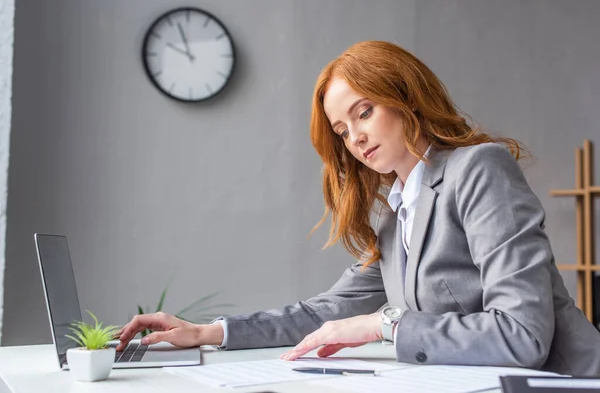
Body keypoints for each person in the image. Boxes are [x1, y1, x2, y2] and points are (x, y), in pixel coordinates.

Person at [116, 40, 600, 376]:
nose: (356, 137)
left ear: (406, 97)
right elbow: (325, 313)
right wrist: (208, 332)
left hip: (568, 380)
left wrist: (383, 324)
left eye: (364, 111)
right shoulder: (398, 212)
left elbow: (522, 335)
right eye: (343, 130)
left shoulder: (478, 169)